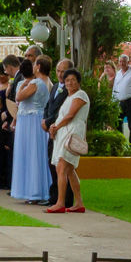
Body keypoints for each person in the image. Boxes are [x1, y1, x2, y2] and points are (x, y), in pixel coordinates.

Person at [11, 56, 54, 202]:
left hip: (31, 121)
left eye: (35, 64)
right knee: (34, 154)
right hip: (33, 119)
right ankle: (36, 190)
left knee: (32, 154)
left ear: (39, 66)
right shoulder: (47, 83)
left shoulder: (35, 82)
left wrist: (22, 85)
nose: (33, 66)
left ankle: (35, 191)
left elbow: (19, 97)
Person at [48, 67, 90, 214]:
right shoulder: (68, 97)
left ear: (78, 82)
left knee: (62, 167)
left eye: (73, 80)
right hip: (63, 133)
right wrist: (54, 128)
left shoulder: (81, 95)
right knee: (70, 169)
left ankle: (60, 202)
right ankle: (78, 202)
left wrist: (57, 126)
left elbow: (70, 115)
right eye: (67, 80)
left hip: (72, 133)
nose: (70, 83)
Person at [42, 58, 73, 206]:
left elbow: (63, 111)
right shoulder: (55, 87)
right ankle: (54, 196)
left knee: (62, 165)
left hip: (61, 129)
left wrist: (50, 122)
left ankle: (66, 199)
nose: (60, 74)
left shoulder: (70, 90)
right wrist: (44, 120)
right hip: (51, 130)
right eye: (58, 71)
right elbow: (48, 106)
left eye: (63, 71)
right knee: (51, 162)